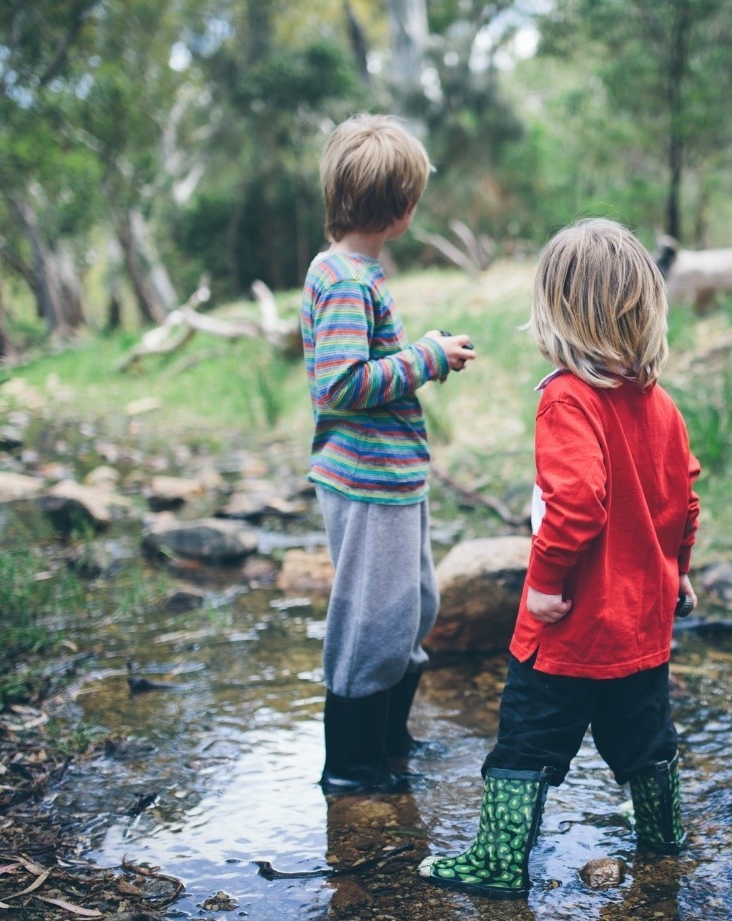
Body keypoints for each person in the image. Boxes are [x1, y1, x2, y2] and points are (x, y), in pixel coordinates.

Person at [419, 218, 701, 898]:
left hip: (569, 626)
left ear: (556, 313)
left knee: (526, 742)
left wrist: (543, 582)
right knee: (647, 741)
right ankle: (663, 837)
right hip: (640, 627)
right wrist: (680, 570)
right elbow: (684, 499)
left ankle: (497, 861)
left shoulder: (565, 399)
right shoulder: (659, 405)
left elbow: (577, 501)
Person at [300, 113, 477, 795]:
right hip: (367, 478)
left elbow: (366, 360)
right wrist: (427, 358)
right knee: (372, 618)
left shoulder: (352, 270)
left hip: (391, 476)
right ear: (402, 209)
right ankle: (351, 764)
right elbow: (339, 384)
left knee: (414, 606)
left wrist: (416, 352)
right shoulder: (345, 279)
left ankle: (390, 739)